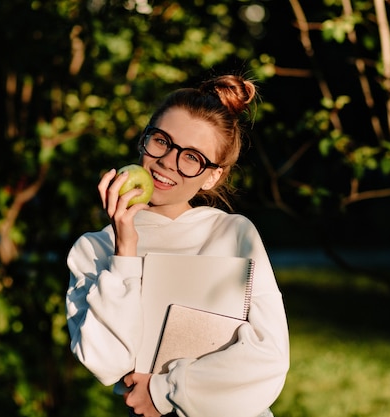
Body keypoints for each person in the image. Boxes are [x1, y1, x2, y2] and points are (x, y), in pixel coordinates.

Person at [66, 74, 289, 417]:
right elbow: (108, 362)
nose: (169, 161)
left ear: (213, 175)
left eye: (192, 157)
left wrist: (163, 391)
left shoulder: (233, 234)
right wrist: (125, 250)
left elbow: (269, 357)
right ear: (145, 140)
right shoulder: (95, 250)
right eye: (162, 141)